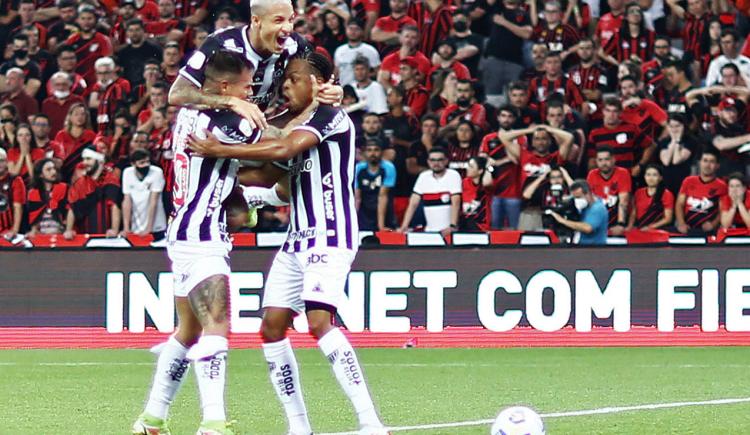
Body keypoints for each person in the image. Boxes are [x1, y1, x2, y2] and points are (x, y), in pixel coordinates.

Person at [187, 52, 387, 435]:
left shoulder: (331, 117)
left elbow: (282, 150)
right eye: (285, 81)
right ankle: (299, 427)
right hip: (297, 240)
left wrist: (220, 150)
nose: (287, 87)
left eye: (295, 79)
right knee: (272, 327)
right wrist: (247, 194)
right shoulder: (294, 123)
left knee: (318, 321)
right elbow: (280, 183)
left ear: (320, 81)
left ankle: (371, 423)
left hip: (331, 233)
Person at [132, 51, 262, 435]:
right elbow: (269, 139)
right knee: (217, 326)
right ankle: (214, 422)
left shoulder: (191, 114)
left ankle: (152, 418)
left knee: (187, 330)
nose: (250, 92)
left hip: (187, 229)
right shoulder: (219, 123)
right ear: (225, 88)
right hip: (202, 236)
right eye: (245, 85)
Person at [169, 0, 342, 132]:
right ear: (256, 20)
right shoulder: (221, 43)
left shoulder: (295, 45)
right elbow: (177, 94)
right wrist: (231, 102)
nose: (288, 28)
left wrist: (334, 90)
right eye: (278, 21)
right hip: (209, 131)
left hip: (252, 131)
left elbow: (323, 82)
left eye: (290, 20)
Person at [398, 146, 462, 235]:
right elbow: (413, 203)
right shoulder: (423, 177)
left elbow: (456, 202)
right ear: (428, 162)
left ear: (446, 161)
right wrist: (404, 226)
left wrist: (453, 226)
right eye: (433, 160)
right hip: (429, 231)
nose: (436, 163)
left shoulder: (453, 175)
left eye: (440, 160)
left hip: (449, 232)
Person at [64, 145, 122, 239]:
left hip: (106, 238)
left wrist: (114, 229)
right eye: (84, 159)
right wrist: (68, 230)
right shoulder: (79, 183)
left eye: (88, 159)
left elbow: (114, 206)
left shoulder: (110, 180)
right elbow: (72, 208)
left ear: (99, 160)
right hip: (83, 238)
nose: (84, 163)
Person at [674, 149, 727, 235]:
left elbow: (723, 210)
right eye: (705, 161)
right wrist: (681, 223)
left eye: (712, 162)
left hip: (708, 231)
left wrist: (713, 224)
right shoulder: (688, 181)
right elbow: (679, 204)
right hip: (687, 228)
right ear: (700, 163)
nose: (707, 165)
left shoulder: (722, 186)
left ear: (717, 166)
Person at [120, 148, 167, 240]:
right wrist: (126, 227)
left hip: (156, 225)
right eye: (142, 163)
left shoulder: (157, 172)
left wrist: (149, 228)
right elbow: (127, 201)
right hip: (136, 225)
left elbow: (153, 201)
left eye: (147, 162)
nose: (146, 165)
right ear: (133, 164)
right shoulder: (127, 173)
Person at [586, 147, 632, 235]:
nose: (604, 163)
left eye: (607, 159)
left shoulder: (623, 173)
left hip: (617, 219)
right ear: (596, 161)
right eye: (600, 160)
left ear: (614, 159)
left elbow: (623, 202)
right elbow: (589, 201)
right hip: (599, 220)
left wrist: (620, 224)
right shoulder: (592, 174)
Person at [547, 179, 609, 245]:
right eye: (575, 197)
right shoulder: (584, 207)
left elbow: (587, 228)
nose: (577, 200)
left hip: (595, 248)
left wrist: (562, 220)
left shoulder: (598, 208)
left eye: (579, 197)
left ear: (588, 193)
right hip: (582, 245)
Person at [355, 140, 397, 231]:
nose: (373, 153)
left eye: (376, 150)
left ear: (382, 152)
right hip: (364, 212)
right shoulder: (359, 168)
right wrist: (353, 222)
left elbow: (383, 196)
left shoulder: (388, 168)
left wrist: (381, 226)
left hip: (385, 211)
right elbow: (357, 197)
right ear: (364, 153)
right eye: (369, 150)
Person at [25, 158, 68, 237]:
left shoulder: (64, 188)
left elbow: (68, 212)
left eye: (54, 169)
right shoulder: (33, 193)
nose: (53, 172)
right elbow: (34, 217)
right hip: (41, 234)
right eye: (49, 169)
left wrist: (68, 230)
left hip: (62, 233)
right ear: (41, 175)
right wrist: (34, 231)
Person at [333, 19, 380, 87]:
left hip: (364, 90)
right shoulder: (339, 50)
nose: (353, 32)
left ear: (362, 31)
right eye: (350, 29)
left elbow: (378, 72)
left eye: (356, 29)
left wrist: (364, 75)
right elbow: (336, 73)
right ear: (346, 30)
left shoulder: (370, 50)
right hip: (345, 91)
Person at [627, 164, 674, 231]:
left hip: (658, 230)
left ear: (660, 178)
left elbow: (668, 219)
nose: (650, 178)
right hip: (639, 229)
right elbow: (634, 213)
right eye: (648, 175)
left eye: (654, 175)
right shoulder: (638, 192)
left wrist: (650, 227)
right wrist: (630, 226)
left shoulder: (666, 194)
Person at [41, 72, 85, 137]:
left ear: (70, 84)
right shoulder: (47, 103)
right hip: (52, 140)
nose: (61, 88)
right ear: (52, 86)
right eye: (58, 85)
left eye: (64, 84)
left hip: (74, 138)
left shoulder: (78, 100)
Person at [461, 155, 494, 231]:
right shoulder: (465, 182)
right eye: (468, 166)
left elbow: (487, 183)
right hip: (466, 223)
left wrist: (488, 167)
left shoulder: (485, 184)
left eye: (471, 167)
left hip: (482, 226)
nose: (467, 168)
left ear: (480, 170)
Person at [0, 148, 26, 241]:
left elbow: (18, 207)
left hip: (10, 232)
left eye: (2, 161)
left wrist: (14, 230)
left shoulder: (15, 180)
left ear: (7, 162)